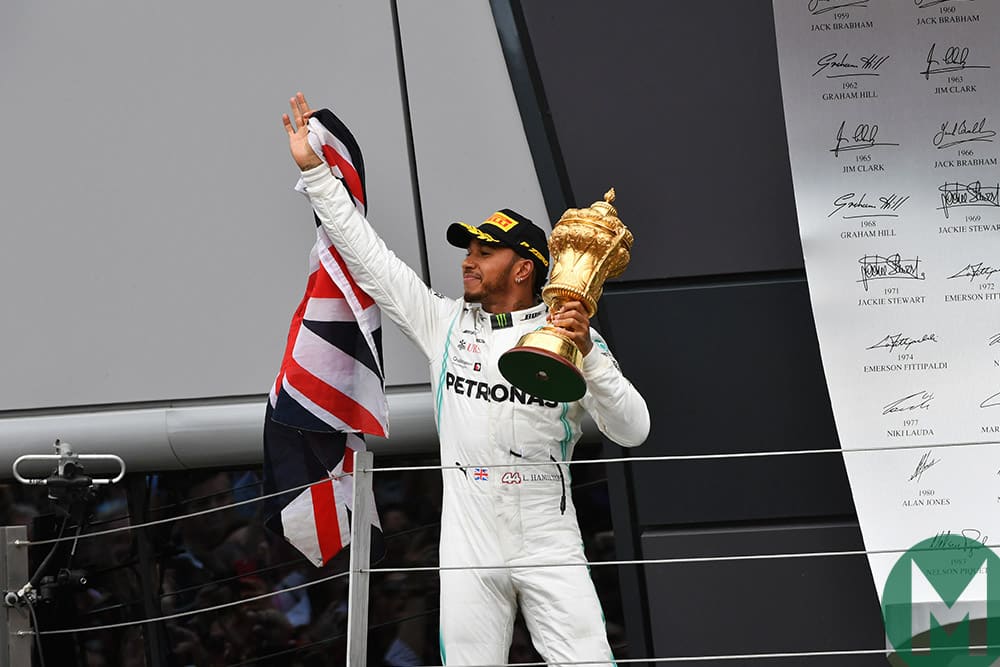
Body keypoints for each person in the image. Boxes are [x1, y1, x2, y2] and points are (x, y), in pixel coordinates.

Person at [282, 92, 649, 666]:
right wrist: (315, 171)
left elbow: (633, 431)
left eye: (485, 251)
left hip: (546, 532)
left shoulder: (572, 336)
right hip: (467, 532)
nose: (467, 260)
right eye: (468, 250)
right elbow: (369, 258)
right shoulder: (444, 322)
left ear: (524, 268)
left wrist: (591, 356)